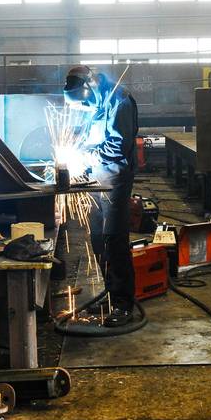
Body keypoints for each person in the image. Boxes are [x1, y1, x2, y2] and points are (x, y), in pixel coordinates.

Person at [63, 66, 139, 327]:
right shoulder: (93, 100)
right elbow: (89, 134)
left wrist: (84, 157)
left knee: (113, 238)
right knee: (97, 237)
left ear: (91, 85)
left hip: (114, 178)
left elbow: (117, 146)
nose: (85, 106)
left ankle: (123, 303)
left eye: (84, 101)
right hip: (95, 175)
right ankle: (109, 294)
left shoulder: (120, 100)